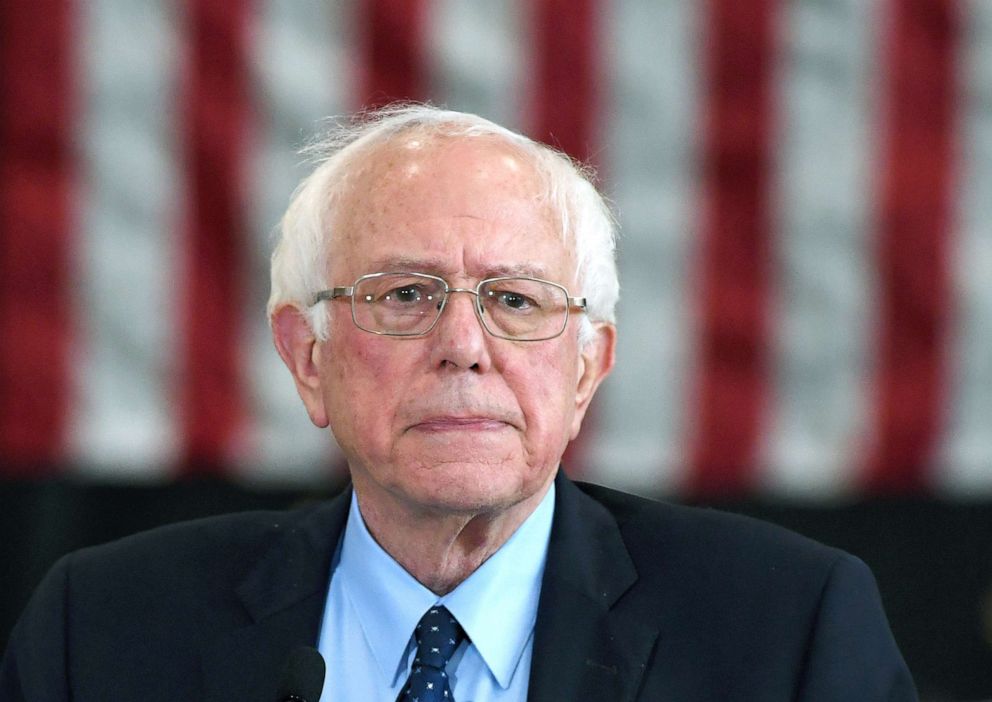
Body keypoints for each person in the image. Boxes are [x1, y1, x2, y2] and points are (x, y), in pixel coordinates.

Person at [0, 105, 915, 701]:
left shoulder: (789, 629)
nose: (463, 347)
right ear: (306, 358)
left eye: (516, 301)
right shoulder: (104, 631)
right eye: (404, 296)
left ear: (588, 369)